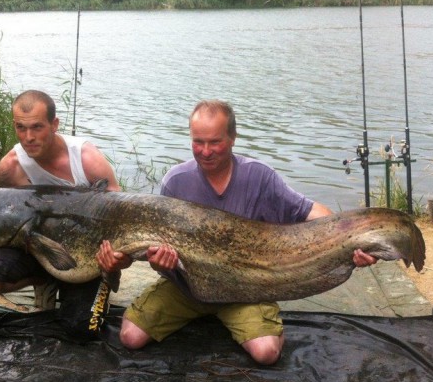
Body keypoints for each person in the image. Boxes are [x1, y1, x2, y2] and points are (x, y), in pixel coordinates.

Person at [96, 99, 377, 365]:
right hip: (186, 288)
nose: (205, 151)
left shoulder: (259, 176)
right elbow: (153, 250)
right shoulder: (175, 183)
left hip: (244, 290)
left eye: (215, 142)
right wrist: (161, 265)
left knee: (266, 353)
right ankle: (201, 314)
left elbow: (308, 211)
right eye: (198, 142)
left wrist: (350, 240)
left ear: (232, 138)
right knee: (130, 337)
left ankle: (262, 323)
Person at [0, 90, 120, 322]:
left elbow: (120, 216)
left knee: (81, 328)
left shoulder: (87, 159)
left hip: (88, 257)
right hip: (38, 249)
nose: (28, 137)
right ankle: (45, 279)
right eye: (20, 128)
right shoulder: (11, 167)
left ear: (54, 124)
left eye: (37, 127)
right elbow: (8, 222)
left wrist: (113, 262)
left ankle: (82, 287)